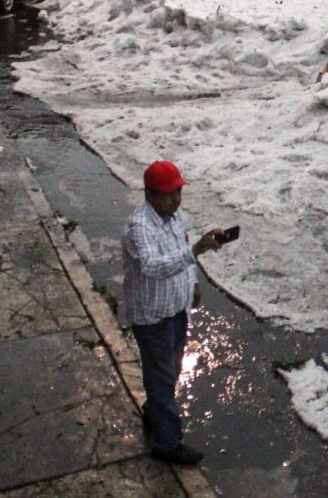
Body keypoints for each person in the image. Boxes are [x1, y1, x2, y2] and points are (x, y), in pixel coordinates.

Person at [122, 160, 223, 466]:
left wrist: (193, 282)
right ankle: (166, 443)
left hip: (176, 310)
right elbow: (152, 267)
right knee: (163, 378)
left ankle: (154, 411)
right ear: (151, 194)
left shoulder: (176, 217)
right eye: (169, 195)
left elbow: (183, 250)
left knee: (170, 371)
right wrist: (194, 253)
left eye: (178, 192)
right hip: (152, 317)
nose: (176, 200)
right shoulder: (138, 227)